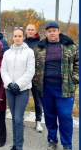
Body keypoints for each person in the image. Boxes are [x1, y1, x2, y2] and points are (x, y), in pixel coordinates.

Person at [33, 22, 79, 150]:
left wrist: (74, 79)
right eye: (49, 31)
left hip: (64, 89)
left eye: (54, 30)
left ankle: (67, 144)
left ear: (59, 31)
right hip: (46, 88)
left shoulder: (71, 47)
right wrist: (36, 82)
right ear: (45, 33)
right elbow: (34, 67)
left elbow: (78, 64)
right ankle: (52, 140)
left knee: (65, 116)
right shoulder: (39, 48)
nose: (52, 33)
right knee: (50, 115)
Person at [0, 27, 35, 150]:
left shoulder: (29, 52)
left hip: (22, 90)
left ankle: (19, 146)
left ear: (23, 37)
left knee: (19, 119)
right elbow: (3, 69)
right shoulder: (7, 53)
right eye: (15, 36)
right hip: (9, 90)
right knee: (14, 118)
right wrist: (9, 83)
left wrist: (18, 84)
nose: (17, 38)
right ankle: (14, 144)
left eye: (20, 36)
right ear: (12, 37)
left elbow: (30, 71)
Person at [24, 24, 43, 133]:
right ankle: (21, 120)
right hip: (25, 76)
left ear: (35, 31)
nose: (30, 31)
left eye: (32, 30)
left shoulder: (41, 43)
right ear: (26, 31)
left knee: (37, 100)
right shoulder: (23, 42)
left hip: (37, 76)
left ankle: (38, 122)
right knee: (23, 99)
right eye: (29, 30)